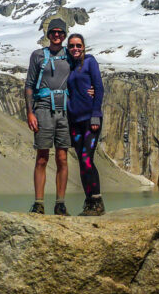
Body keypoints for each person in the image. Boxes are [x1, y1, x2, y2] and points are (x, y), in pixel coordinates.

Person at [24, 18, 71, 215]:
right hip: (42, 109)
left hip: (65, 111)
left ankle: (60, 203)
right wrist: (29, 112)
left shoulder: (71, 55)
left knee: (62, 158)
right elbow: (29, 85)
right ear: (48, 34)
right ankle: (39, 203)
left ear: (64, 35)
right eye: (54, 32)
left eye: (61, 32)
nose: (57, 35)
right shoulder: (37, 56)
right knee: (42, 157)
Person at [66, 33, 106, 216]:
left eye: (78, 45)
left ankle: (97, 201)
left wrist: (96, 115)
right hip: (75, 122)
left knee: (86, 159)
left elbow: (98, 87)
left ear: (84, 47)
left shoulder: (90, 62)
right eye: (72, 45)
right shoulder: (70, 67)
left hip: (90, 120)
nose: (75, 48)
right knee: (82, 164)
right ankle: (89, 201)